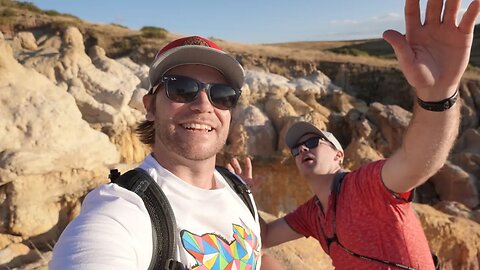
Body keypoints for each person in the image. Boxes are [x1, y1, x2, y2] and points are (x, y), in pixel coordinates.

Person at [228, 0, 480, 269]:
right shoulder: (311, 214)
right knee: (261, 261)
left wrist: (438, 94)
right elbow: (264, 236)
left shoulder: (366, 185)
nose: (302, 149)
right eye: (296, 148)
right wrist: (244, 195)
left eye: (313, 142)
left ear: (339, 155)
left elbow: (417, 161)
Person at [50, 36, 264, 270]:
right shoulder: (122, 210)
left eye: (222, 95)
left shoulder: (239, 190)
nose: (204, 105)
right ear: (150, 107)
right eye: (182, 89)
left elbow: (254, 257)